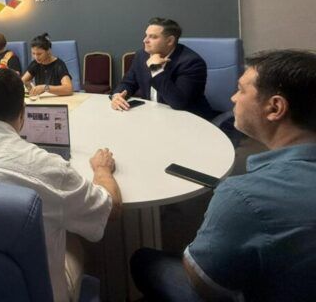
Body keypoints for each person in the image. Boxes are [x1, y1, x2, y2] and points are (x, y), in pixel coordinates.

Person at [130, 50, 316, 301]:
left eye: (241, 90)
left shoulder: (243, 196)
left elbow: (206, 284)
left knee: (144, 260)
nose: (233, 98)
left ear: (275, 107)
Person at [0, 68, 121, 302]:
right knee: (72, 238)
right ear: (22, 113)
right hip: (35, 293)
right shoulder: (52, 170)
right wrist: (102, 169)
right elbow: (111, 208)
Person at [110, 17, 214, 119]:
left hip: (188, 119)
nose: (145, 40)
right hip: (153, 115)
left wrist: (156, 69)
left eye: (153, 37)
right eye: (146, 35)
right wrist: (117, 96)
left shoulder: (191, 62)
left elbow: (178, 103)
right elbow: (128, 83)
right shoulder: (141, 55)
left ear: (170, 41)